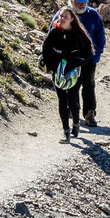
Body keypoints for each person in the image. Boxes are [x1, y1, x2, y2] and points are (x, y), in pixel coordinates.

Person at [41, 7, 95, 140]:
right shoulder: (54, 33)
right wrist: (54, 68)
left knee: (72, 99)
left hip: (74, 73)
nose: (62, 18)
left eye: (66, 16)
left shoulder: (78, 33)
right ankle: (66, 131)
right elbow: (46, 51)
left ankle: (76, 124)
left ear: (72, 19)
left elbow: (89, 51)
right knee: (62, 100)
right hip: (58, 72)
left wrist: (77, 64)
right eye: (61, 16)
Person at [69, 0, 105, 128]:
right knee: (72, 86)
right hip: (70, 59)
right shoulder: (65, 15)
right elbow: (53, 33)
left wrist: (97, 54)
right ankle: (73, 113)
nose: (83, 4)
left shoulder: (92, 14)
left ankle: (90, 115)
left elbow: (100, 36)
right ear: (72, 1)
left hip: (90, 57)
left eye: (84, 1)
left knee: (89, 85)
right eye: (79, 2)